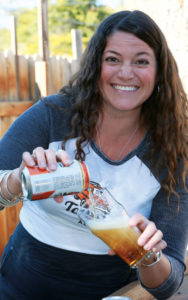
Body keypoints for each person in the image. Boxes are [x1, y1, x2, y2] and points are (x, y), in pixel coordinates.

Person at [0, 9, 187, 300]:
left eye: (141, 61)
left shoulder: (172, 150)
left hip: (107, 291)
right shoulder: (52, 115)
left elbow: (168, 282)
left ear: (159, 71)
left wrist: (148, 255)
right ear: (95, 65)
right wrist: (16, 181)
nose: (126, 73)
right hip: (18, 284)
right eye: (112, 59)